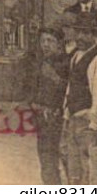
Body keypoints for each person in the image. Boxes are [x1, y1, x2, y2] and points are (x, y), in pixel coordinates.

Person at [62, 13, 97, 184]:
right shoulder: (76, 56)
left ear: (95, 35)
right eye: (78, 32)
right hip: (74, 121)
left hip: (87, 123)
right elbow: (71, 88)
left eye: (87, 33)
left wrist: (94, 125)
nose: (81, 37)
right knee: (73, 167)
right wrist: (67, 115)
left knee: (88, 168)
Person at [31, 25, 70, 184]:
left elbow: (70, 90)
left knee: (64, 159)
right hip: (43, 117)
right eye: (43, 41)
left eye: (50, 41)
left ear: (60, 43)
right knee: (46, 160)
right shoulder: (43, 61)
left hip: (59, 118)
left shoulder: (67, 62)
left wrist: (54, 77)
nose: (45, 45)